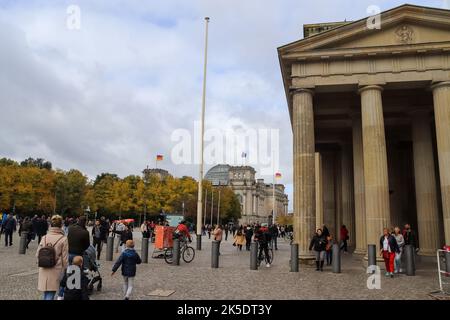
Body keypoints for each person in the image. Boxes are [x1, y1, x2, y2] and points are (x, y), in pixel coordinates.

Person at [36, 215, 68, 300]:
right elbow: (65, 258)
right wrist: (66, 269)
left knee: (46, 292)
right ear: (61, 225)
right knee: (51, 292)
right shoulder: (63, 239)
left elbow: (37, 253)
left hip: (44, 265)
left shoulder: (44, 237)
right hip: (55, 268)